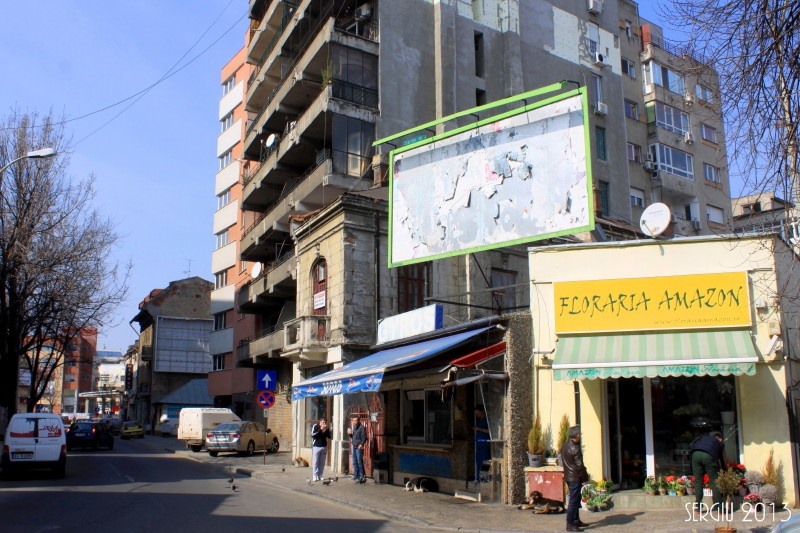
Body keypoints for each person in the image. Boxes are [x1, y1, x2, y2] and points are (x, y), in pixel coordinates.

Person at [561, 425, 589, 532]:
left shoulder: (565, 446)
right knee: (573, 501)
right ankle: (570, 524)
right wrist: (585, 476)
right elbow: (579, 465)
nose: (580, 436)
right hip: (575, 477)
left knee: (576, 499)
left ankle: (576, 521)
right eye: (579, 434)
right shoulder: (575, 448)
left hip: (569, 476)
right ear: (577, 436)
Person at [690, 431, 726, 512]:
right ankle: (720, 508)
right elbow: (722, 459)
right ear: (720, 438)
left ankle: (698, 507)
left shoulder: (702, 438)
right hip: (708, 456)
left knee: (698, 482)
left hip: (695, 454)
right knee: (714, 482)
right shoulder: (719, 443)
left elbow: (691, 445)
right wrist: (724, 470)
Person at [310, 417, 332, 482]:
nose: (324, 424)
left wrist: (327, 430)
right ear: (320, 422)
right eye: (323, 422)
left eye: (325, 422)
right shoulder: (315, 426)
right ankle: (315, 475)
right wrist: (321, 429)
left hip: (324, 446)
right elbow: (313, 435)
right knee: (315, 462)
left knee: (322, 462)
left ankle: (320, 475)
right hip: (316, 446)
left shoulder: (326, 427)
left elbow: (329, 436)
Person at [473, 405, 490, 483]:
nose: (477, 415)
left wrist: (479, 429)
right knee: (478, 461)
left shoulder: (487, 420)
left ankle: (484, 479)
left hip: (484, 443)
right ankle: (478, 478)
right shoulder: (478, 420)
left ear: (482, 411)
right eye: (476, 414)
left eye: (478, 413)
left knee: (485, 461)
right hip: (478, 443)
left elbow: (490, 431)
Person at [348, 416, 366, 483]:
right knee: (355, 462)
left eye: (356, 420)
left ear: (359, 421)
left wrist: (361, 444)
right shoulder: (354, 427)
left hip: (359, 447)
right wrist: (350, 434)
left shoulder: (362, 428)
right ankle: (356, 475)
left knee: (359, 462)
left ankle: (362, 476)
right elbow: (354, 437)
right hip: (354, 446)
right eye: (354, 420)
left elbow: (364, 437)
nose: (355, 422)